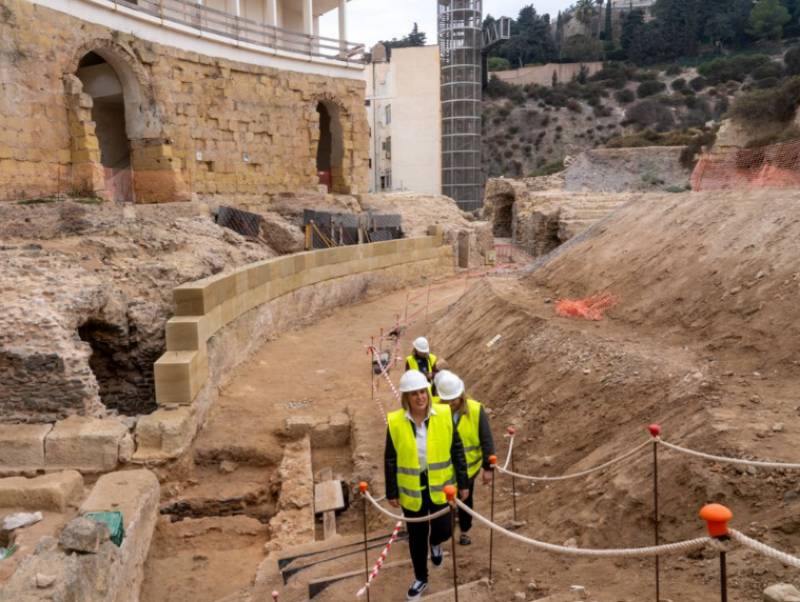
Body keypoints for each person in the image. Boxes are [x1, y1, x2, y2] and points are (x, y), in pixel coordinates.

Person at [384, 370, 470, 600]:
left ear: (428, 392)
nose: (420, 397)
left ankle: (436, 543)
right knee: (416, 536)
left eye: (422, 391)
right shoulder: (395, 422)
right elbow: (390, 458)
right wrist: (391, 491)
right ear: (406, 398)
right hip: (412, 489)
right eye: (414, 394)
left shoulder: (443, 415)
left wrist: (463, 482)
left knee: (443, 529)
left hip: (441, 486)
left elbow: (457, 450)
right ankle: (421, 577)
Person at [434, 370, 495, 546]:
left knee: (465, 498)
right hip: (444, 468)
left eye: (455, 399)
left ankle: (465, 530)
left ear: (461, 394)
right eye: (448, 400)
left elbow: (486, 439)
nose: (452, 403)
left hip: (468, 469)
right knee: (443, 501)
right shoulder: (435, 408)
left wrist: (488, 468)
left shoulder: (475, 410)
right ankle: (445, 530)